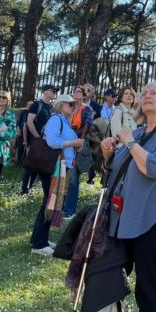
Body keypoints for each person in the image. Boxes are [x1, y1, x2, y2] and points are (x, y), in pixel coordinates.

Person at [101, 82, 156, 312]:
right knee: (110, 281)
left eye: (154, 92)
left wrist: (129, 143)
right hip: (123, 220)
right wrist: (108, 155)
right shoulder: (136, 133)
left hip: (153, 219)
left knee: (148, 291)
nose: (147, 95)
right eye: (144, 92)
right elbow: (114, 173)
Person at [31, 93, 84, 256]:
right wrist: (73, 142)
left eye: (73, 105)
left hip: (61, 166)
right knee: (50, 202)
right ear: (61, 105)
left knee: (50, 202)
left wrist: (76, 146)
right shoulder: (56, 119)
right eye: (70, 104)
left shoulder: (65, 121)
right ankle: (39, 244)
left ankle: (39, 239)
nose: (73, 107)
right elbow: (52, 142)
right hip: (54, 166)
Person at [63, 86, 94, 219]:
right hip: (64, 144)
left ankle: (70, 210)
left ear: (84, 96)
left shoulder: (87, 109)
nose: (76, 93)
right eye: (75, 91)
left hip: (77, 144)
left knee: (73, 178)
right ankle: (60, 205)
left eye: (79, 92)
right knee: (62, 175)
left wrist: (79, 141)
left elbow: (87, 126)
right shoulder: (68, 107)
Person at [22, 84, 58, 195]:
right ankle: (24, 190)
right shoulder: (37, 104)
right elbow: (29, 121)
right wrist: (37, 137)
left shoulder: (52, 106)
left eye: (55, 91)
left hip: (47, 141)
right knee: (31, 165)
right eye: (53, 91)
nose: (55, 93)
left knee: (39, 166)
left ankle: (31, 188)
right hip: (37, 140)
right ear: (45, 91)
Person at [16, 100, 34, 168]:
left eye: (32, 105)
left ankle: (26, 163)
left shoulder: (34, 113)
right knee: (20, 148)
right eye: (29, 104)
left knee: (28, 148)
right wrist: (18, 129)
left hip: (29, 133)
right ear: (27, 105)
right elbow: (18, 122)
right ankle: (19, 163)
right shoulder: (23, 112)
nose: (30, 106)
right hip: (21, 132)